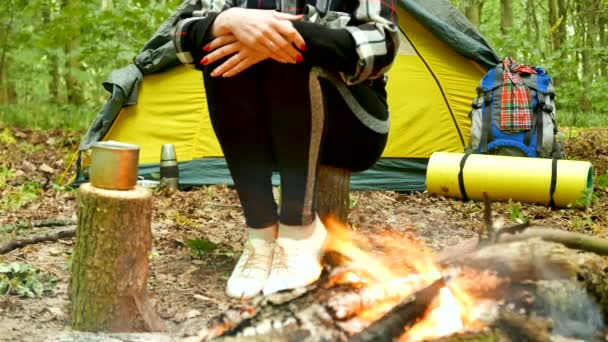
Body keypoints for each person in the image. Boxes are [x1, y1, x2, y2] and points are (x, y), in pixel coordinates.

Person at [171, 0, 399, 298]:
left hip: (351, 126)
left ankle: (299, 229)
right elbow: (180, 36)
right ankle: (261, 235)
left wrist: (293, 34)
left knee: (288, 49)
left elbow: (385, 44)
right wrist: (225, 21)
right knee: (218, 47)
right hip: (265, 130)